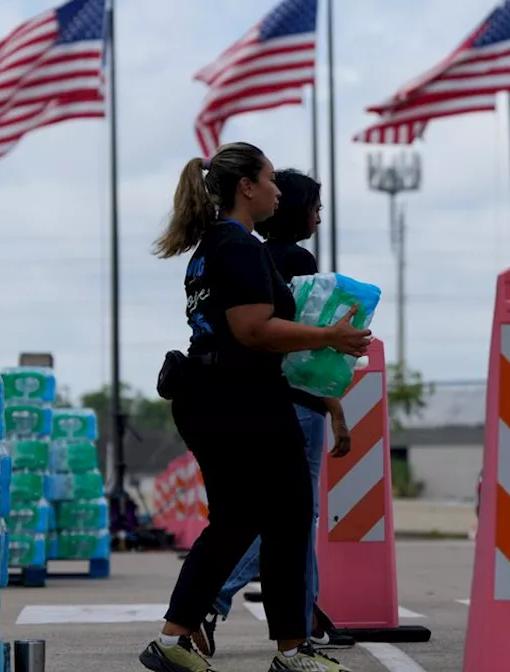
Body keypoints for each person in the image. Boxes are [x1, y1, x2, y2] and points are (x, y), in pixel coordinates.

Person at [140, 142, 368, 672]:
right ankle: (293, 652)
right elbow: (253, 330)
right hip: (239, 400)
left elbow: (239, 334)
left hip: (215, 395)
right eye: (270, 179)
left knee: (237, 522)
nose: (278, 190)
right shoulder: (238, 248)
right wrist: (329, 336)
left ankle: (174, 640)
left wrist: (320, 395)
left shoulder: (212, 247)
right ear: (246, 186)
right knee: (287, 518)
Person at [193, 168, 357, 657]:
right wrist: (334, 404)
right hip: (296, 400)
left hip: (251, 393)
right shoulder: (295, 261)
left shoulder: (249, 253)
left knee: (277, 516)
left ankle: (305, 616)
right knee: (289, 519)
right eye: (316, 207)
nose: (319, 217)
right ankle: (214, 599)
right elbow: (299, 344)